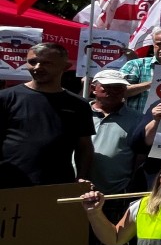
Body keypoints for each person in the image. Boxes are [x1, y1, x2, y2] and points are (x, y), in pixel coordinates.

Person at [86, 68, 144, 245]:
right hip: (75, 190)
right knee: (73, 244)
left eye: (118, 87)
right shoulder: (79, 113)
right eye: (106, 86)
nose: (113, 91)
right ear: (94, 88)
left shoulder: (136, 118)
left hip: (115, 191)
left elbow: (139, 157)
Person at [0, 43, 94, 189]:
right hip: (9, 184)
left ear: (65, 66)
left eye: (46, 63)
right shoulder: (6, 98)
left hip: (56, 186)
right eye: (32, 62)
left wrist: (81, 176)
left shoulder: (79, 105)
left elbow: (84, 146)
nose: (37, 67)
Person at [121, 28, 161, 110]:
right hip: (137, 120)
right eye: (159, 44)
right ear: (153, 45)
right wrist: (155, 83)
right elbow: (118, 92)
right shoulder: (135, 65)